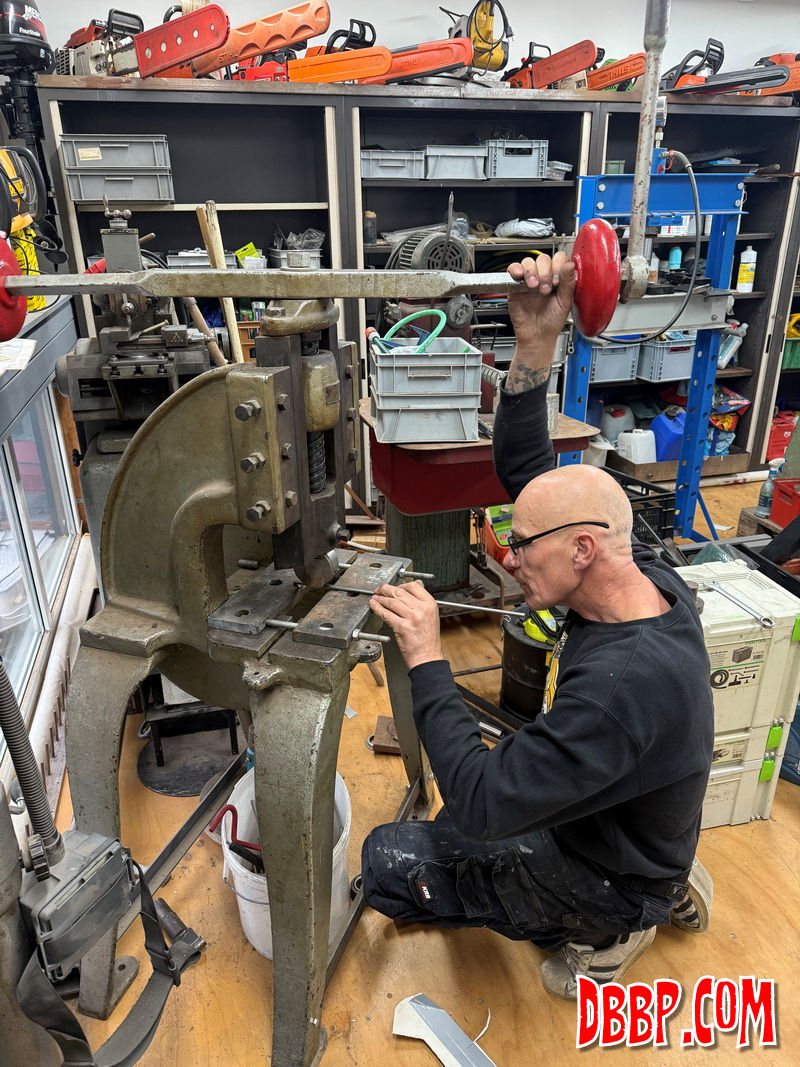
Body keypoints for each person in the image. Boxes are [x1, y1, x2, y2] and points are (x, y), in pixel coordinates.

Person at [362, 251, 715, 1000]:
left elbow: (481, 803)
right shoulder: (641, 573)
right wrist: (535, 342)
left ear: (581, 549)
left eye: (519, 545)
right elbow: (531, 470)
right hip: (618, 810)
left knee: (388, 860)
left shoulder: (623, 686)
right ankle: (662, 863)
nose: (508, 555)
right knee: (462, 817)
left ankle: (618, 927)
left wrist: (427, 657)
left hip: (606, 870)